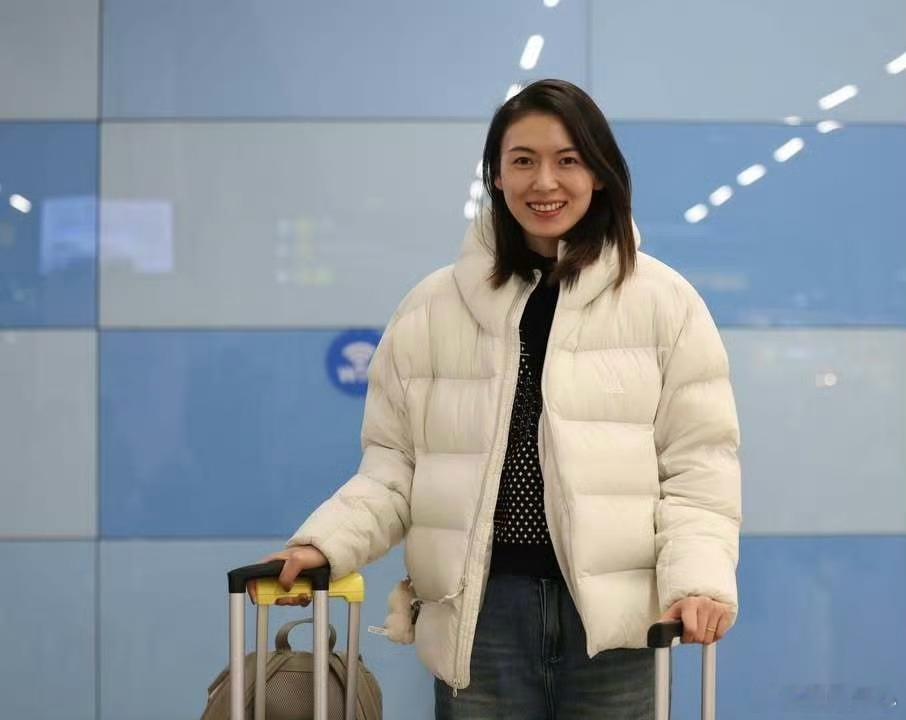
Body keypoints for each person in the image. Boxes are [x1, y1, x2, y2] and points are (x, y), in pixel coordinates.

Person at [252, 78, 741, 719]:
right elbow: (394, 467)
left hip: (615, 624)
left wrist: (698, 581)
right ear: (498, 176)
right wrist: (324, 544)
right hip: (480, 617)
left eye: (568, 159)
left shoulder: (663, 303)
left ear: (599, 173)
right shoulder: (432, 307)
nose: (545, 182)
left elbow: (698, 469)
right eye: (523, 161)